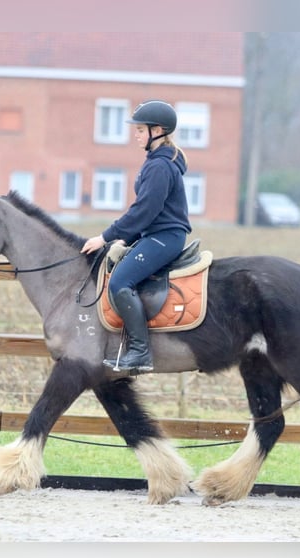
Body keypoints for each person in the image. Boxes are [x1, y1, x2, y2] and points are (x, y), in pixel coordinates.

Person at [81, 99, 192, 371]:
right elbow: (148, 213)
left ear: (159, 131)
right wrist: (126, 239)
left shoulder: (159, 166)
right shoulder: (157, 162)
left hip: (164, 237)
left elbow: (145, 210)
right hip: (156, 234)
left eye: (141, 130)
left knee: (120, 282)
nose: (136, 134)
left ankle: (140, 353)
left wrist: (106, 236)